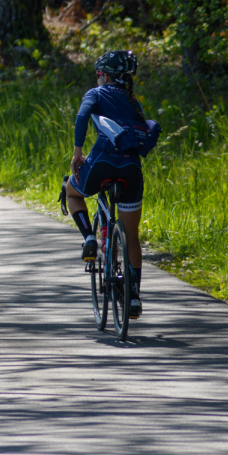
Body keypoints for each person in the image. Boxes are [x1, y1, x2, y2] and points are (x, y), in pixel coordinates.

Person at [62, 50, 160, 319]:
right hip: (131, 169)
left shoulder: (96, 94)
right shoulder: (133, 102)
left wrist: (77, 153)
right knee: (131, 237)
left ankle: (90, 238)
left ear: (103, 75)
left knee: (71, 191)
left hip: (102, 162)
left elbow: (82, 117)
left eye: (98, 75)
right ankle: (134, 298)